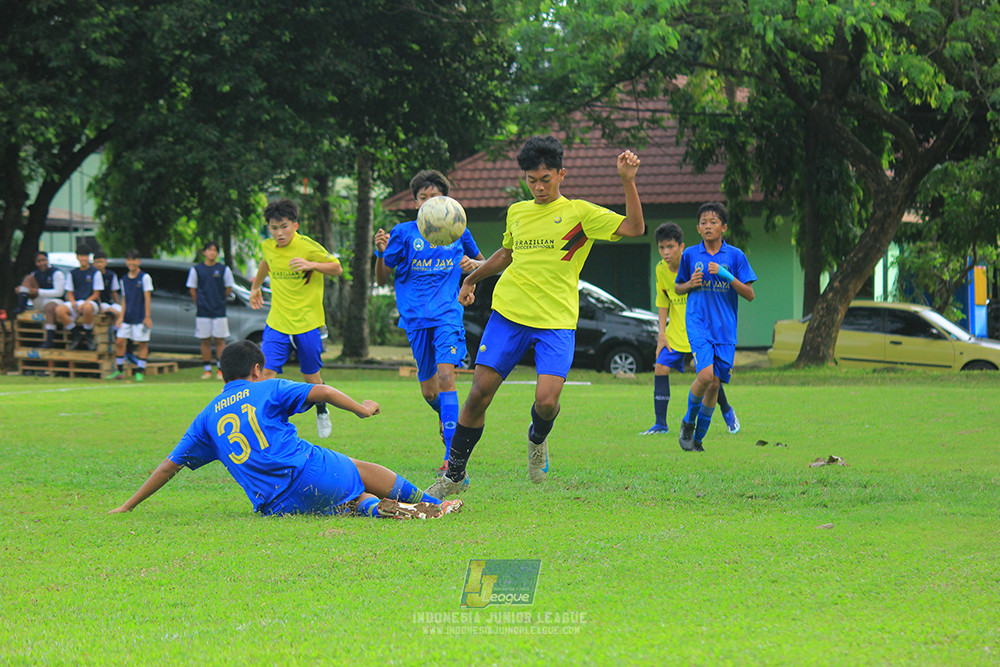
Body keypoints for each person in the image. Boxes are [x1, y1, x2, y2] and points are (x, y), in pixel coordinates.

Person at [427, 135, 645, 498]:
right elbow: (506, 255)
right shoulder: (518, 212)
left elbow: (635, 229)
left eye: (546, 179)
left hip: (555, 321)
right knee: (478, 393)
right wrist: (471, 278)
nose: (539, 187)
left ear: (562, 174)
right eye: (531, 180)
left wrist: (628, 181)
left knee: (546, 400)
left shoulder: (580, 214)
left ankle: (537, 439)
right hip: (509, 315)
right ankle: (455, 474)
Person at [109, 340, 463, 519]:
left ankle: (374, 508)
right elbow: (321, 390)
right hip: (306, 470)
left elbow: (170, 466)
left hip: (277, 506)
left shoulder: (206, 417)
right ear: (258, 368)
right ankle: (433, 504)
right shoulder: (268, 386)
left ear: (222, 376)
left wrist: (126, 507)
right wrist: (361, 408)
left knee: (349, 499)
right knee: (356, 469)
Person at [374, 170, 485, 475]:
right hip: (415, 319)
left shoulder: (458, 230)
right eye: (424, 198)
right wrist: (381, 254)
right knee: (430, 393)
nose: (430, 202)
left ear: (446, 200)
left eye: (436, 197)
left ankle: (453, 458)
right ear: (416, 203)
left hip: (448, 315)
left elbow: (483, 264)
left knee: (447, 379)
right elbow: (382, 278)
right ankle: (452, 417)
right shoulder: (404, 233)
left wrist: (471, 277)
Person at [249, 199, 343, 439]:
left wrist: (311, 264)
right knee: (265, 374)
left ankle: (321, 409)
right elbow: (266, 263)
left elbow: (337, 268)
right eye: (273, 227)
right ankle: (261, 422)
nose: (279, 233)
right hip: (278, 322)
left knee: (311, 377)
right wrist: (255, 287)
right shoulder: (268, 247)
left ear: (295, 225)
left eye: (284, 226)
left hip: (307, 323)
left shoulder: (308, 246)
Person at [639, 222, 740, 436]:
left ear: (681, 247)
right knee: (660, 366)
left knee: (710, 377)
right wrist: (661, 335)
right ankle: (660, 424)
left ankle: (727, 411)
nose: (666, 252)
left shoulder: (697, 264)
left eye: (670, 247)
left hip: (701, 331)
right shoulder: (660, 269)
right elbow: (663, 301)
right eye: (661, 247)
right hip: (676, 333)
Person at [674, 202, 758, 452]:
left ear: (723, 227)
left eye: (713, 222)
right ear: (698, 229)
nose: (707, 226)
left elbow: (750, 294)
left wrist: (726, 274)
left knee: (715, 385)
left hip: (725, 330)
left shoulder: (735, 256)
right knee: (705, 376)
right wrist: (690, 283)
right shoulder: (690, 254)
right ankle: (688, 422)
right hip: (699, 323)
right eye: (703, 222)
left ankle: (697, 439)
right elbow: (678, 287)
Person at [187, 241, 235, 380]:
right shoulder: (196, 269)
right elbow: (193, 289)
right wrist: (201, 303)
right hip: (203, 311)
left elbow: (228, 289)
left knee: (220, 340)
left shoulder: (223, 269)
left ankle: (221, 369)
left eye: (215, 250)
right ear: (204, 252)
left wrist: (219, 300)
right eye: (209, 250)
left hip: (219, 311)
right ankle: (207, 369)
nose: (212, 253)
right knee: (205, 340)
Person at [107, 249, 154, 381]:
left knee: (142, 344)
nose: (131, 263)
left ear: (138, 261)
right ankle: (120, 371)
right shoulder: (124, 279)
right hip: (127, 316)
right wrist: (121, 317)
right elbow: (125, 299)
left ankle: (140, 371)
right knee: (120, 341)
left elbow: (147, 298)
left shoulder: (145, 278)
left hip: (140, 317)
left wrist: (147, 316)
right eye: (129, 260)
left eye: (133, 260)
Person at [12, 251, 67, 348]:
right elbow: (31, 289)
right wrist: (21, 290)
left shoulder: (56, 273)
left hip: (55, 301)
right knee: (28, 278)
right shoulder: (35, 274)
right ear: (35, 263)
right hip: (39, 300)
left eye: (43, 260)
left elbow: (59, 292)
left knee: (49, 308)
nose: (42, 263)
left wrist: (38, 291)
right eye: (39, 261)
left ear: (47, 260)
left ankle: (49, 340)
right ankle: (21, 305)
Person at [55, 248, 104, 351]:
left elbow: (96, 293)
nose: (83, 258)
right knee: (59, 310)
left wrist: (85, 302)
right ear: (77, 257)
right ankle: (76, 334)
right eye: (81, 256)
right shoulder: (72, 273)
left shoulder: (95, 273)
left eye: (85, 256)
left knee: (87, 308)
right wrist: (73, 302)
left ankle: (88, 334)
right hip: (77, 301)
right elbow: (70, 292)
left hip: (90, 302)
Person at [92, 251, 122, 319]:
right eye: (97, 262)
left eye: (101, 262)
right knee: (115, 312)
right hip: (98, 303)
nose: (99, 264)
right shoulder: (91, 275)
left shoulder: (111, 275)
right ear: (93, 263)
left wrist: (116, 303)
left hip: (108, 302)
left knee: (121, 310)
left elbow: (114, 291)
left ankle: (117, 328)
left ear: (106, 262)